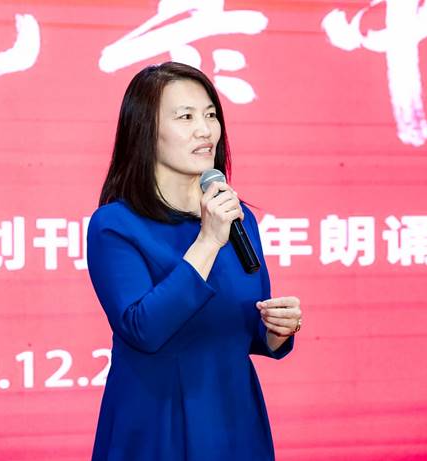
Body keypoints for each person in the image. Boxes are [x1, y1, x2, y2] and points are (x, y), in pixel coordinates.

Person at [86, 61, 302, 461]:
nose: (205, 130)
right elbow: (143, 330)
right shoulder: (114, 225)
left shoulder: (236, 216)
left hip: (234, 421)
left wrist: (277, 330)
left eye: (210, 115)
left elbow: (244, 328)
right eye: (186, 117)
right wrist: (207, 240)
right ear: (145, 131)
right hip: (156, 427)